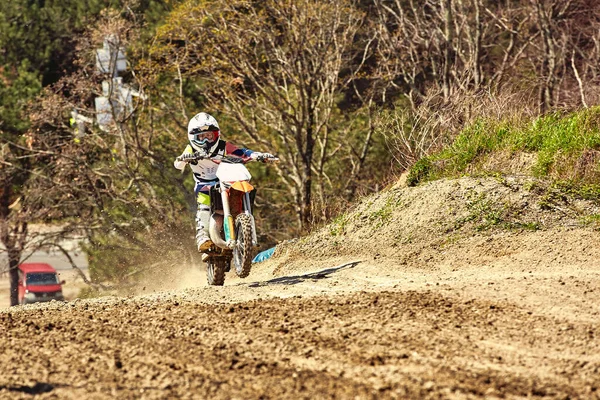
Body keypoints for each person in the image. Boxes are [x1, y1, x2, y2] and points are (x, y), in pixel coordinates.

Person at [174, 112, 274, 251]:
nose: (206, 141)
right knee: (204, 205)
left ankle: (243, 227)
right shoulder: (190, 149)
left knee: (240, 192)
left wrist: (258, 155)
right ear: (193, 137)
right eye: (201, 137)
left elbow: (242, 152)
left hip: (224, 180)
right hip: (204, 184)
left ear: (216, 134)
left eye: (209, 136)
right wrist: (184, 159)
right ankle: (203, 237)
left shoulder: (222, 146)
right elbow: (177, 164)